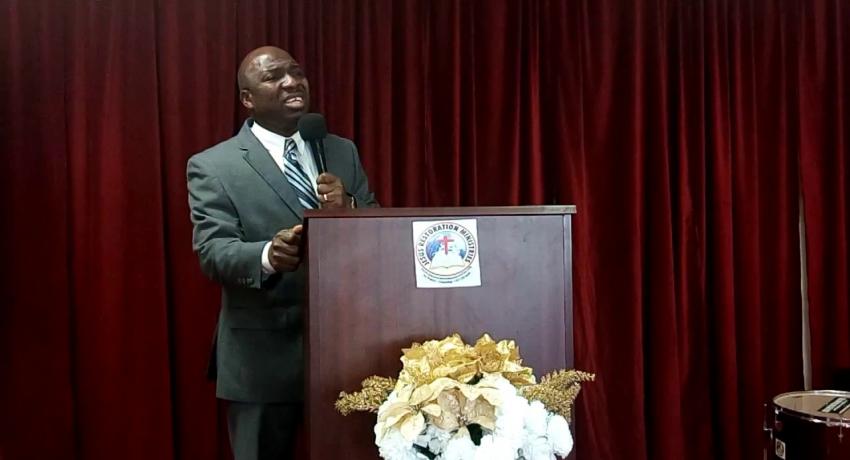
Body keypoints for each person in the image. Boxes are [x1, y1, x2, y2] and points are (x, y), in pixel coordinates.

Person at [186, 46, 378, 460]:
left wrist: (349, 208)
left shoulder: (341, 150)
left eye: (296, 72)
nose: (292, 82)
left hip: (346, 352)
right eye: (274, 77)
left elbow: (379, 231)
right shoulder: (214, 165)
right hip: (262, 359)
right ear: (247, 99)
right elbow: (214, 251)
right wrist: (268, 256)